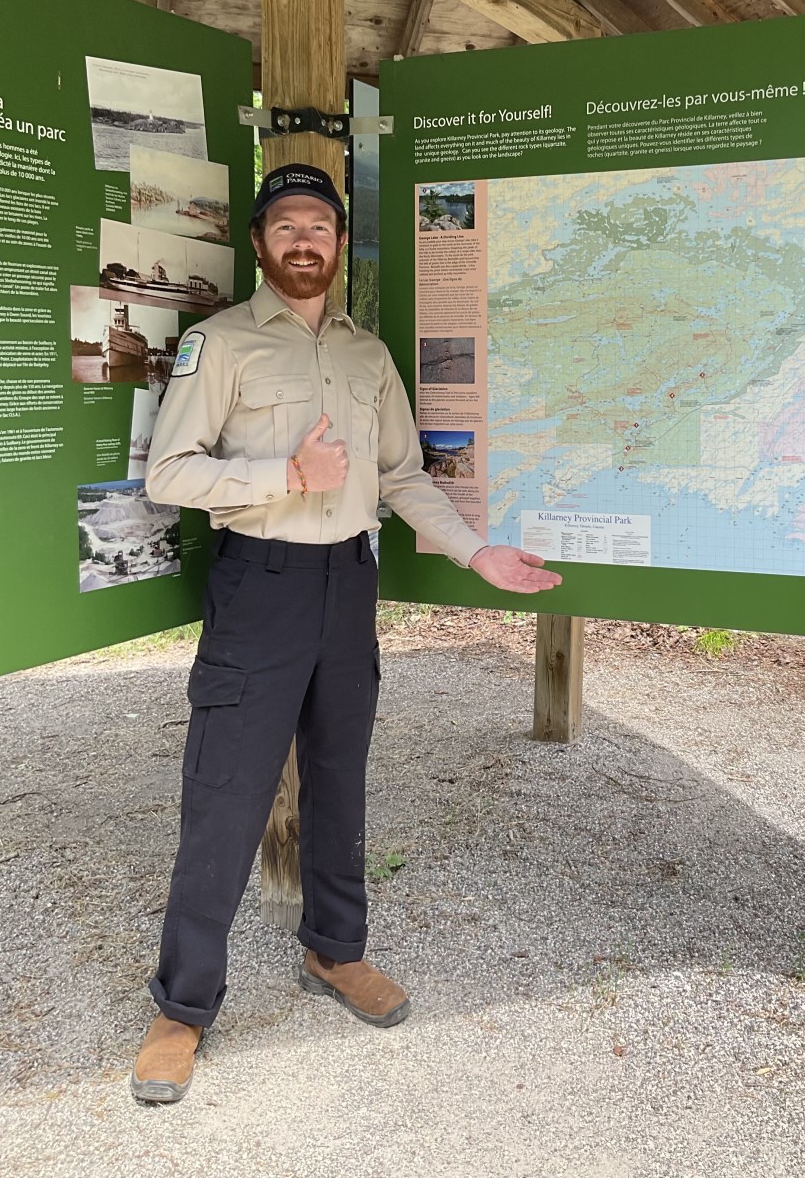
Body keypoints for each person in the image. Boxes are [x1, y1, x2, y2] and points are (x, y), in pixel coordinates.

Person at [131, 162, 561, 1104]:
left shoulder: (368, 357)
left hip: (347, 587)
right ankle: (183, 1007)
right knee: (225, 796)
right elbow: (168, 474)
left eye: (319, 225)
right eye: (285, 224)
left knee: (338, 779)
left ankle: (335, 951)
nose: (303, 240)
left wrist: (473, 552)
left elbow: (403, 478)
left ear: (337, 246)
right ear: (258, 243)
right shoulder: (221, 343)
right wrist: (286, 475)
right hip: (261, 587)